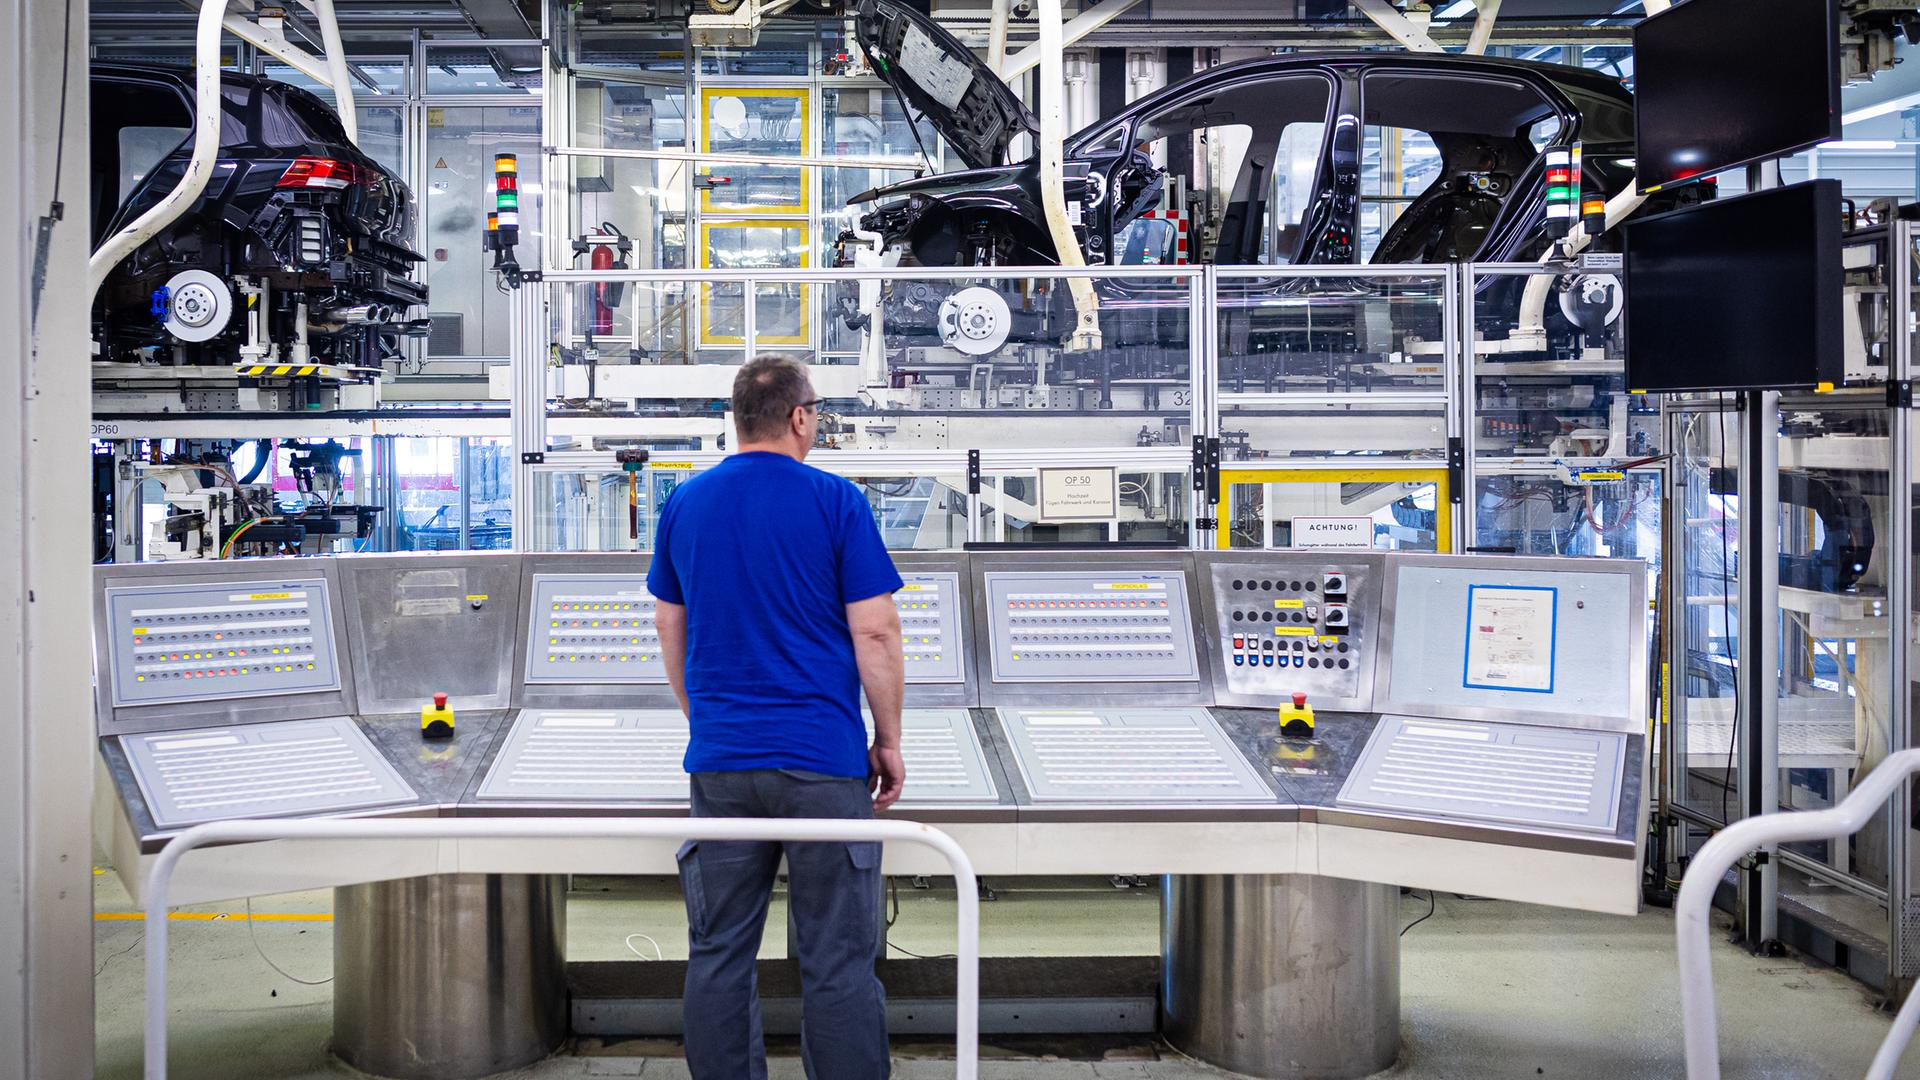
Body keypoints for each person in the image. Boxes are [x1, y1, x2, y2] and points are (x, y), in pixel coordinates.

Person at [647, 354, 907, 1080]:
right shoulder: (837, 502)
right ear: (799, 417)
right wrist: (887, 740)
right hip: (822, 762)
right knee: (838, 958)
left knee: (719, 950)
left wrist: (707, 720)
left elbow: (670, 625)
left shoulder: (686, 503)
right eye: (816, 413)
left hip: (723, 765)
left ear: (738, 420)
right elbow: (876, 633)